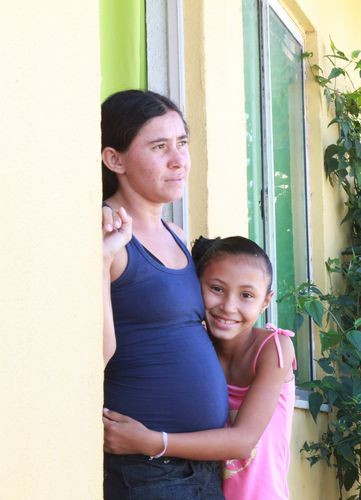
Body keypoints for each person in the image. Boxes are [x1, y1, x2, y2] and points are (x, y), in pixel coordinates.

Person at [101, 90, 228, 499]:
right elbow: (94, 355)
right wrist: (102, 258)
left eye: (182, 143)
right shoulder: (106, 234)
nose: (179, 160)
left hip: (202, 466)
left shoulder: (176, 234)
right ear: (114, 159)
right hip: (147, 471)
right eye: (159, 147)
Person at [103, 236, 297, 500]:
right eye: (216, 289)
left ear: (265, 301)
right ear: (195, 286)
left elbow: (243, 442)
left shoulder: (275, 349)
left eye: (247, 295)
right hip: (203, 490)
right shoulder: (198, 349)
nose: (228, 306)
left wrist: (151, 441)